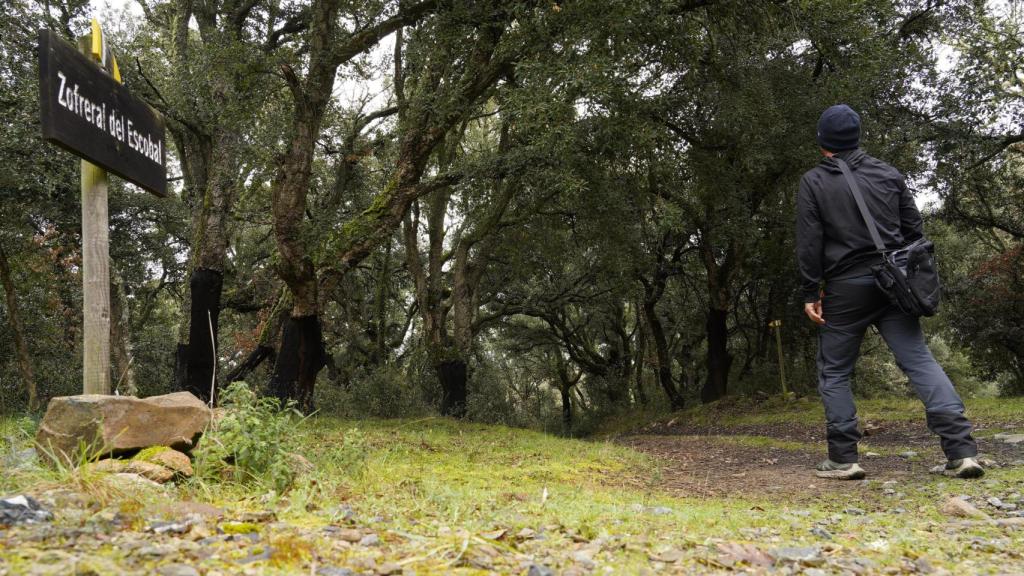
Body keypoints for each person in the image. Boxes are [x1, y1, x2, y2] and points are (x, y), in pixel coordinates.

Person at [796, 104, 983, 480]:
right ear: (858, 137)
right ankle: (962, 452)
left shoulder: (814, 181)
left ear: (822, 144)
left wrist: (809, 291)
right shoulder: (888, 173)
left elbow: (809, 242)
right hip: (895, 283)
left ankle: (844, 458)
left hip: (845, 288)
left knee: (834, 371)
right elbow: (915, 233)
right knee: (918, 360)